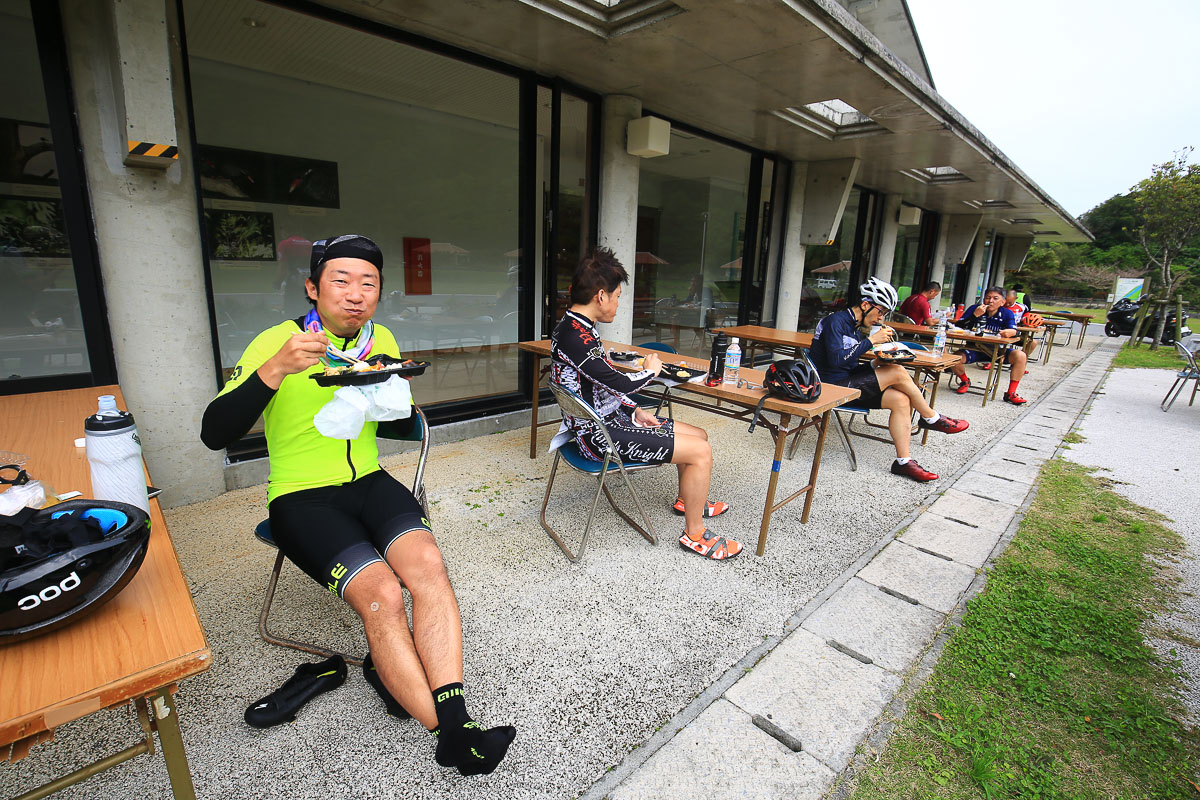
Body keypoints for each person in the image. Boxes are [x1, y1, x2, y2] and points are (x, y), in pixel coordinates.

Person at [200, 234, 515, 776]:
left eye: (367, 283)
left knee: (430, 571)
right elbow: (214, 432)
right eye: (340, 281)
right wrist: (274, 369)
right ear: (312, 289)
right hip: (301, 496)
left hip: (368, 480)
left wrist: (394, 394)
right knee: (383, 596)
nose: (355, 294)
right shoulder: (276, 342)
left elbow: (389, 421)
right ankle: (453, 735)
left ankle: (454, 720)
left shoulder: (380, 338)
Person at [551, 248, 742, 560]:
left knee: (700, 436)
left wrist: (634, 410)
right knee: (701, 452)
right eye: (617, 296)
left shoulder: (576, 328)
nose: (617, 303)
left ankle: (688, 498)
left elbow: (600, 386)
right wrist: (651, 372)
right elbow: (619, 382)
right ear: (601, 296)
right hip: (598, 437)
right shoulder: (576, 337)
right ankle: (695, 534)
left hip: (607, 422)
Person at [808, 277, 969, 482]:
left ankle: (903, 462)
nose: (881, 318)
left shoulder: (856, 327)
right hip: (830, 387)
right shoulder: (835, 322)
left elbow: (849, 365)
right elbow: (837, 360)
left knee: (901, 398)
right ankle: (930, 417)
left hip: (846, 382)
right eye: (881, 311)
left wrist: (875, 363)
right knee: (897, 371)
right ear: (866, 305)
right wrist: (871, 341)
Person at [947, 286, 1030, 405]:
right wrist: (974, 316)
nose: (990, 301)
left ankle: (1010, 393)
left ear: (1003, 301)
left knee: (1020, 355)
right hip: (974, 349)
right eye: (988, 298)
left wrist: (1012, 332)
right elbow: (959, 326)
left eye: (995, 298)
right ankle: (964, 381)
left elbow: (1014, 330)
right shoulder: (975, 309)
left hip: (997, 351)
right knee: (954, 358)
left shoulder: (1007, 313)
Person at [1005, 288, 1041, 360]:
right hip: (1002, 332)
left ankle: (1019, 361)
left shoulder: (1023, 308)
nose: (1007, 304)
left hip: (1016, 333)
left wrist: (1030, 324)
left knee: (1033, 342)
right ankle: (989, 361)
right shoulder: (1000, 306)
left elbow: (1026, 319)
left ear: (1016, 298)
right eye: (1006, 301)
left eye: (1010, 302)